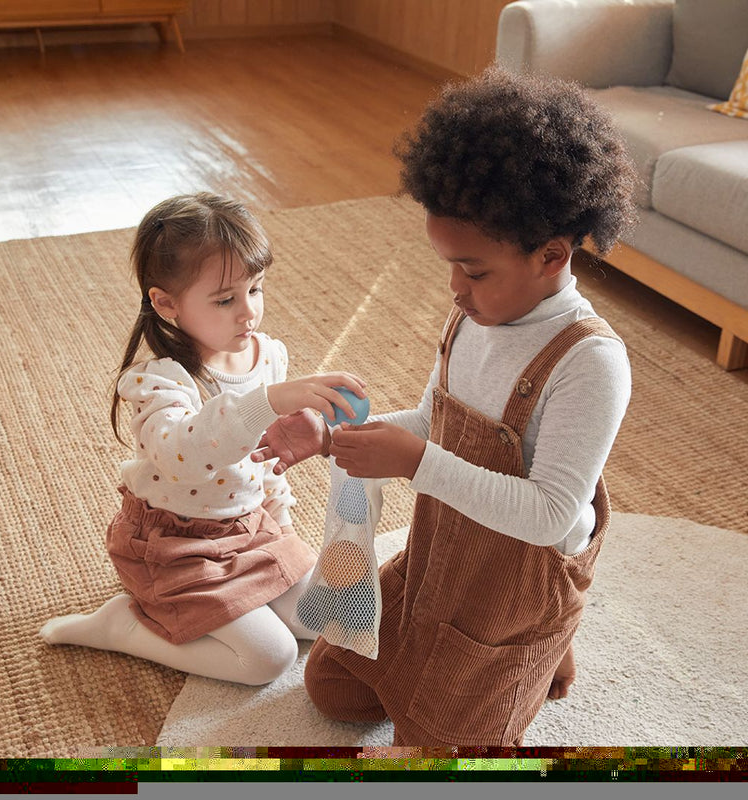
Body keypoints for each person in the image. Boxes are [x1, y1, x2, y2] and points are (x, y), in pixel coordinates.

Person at [252, 66, 637, 744]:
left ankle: (540, 645)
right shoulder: (473, 318)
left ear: (551, 256)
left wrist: (414, 463)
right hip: (442, 558)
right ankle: (480, 663)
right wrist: (332, 434)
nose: (456, 289)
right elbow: (436, 424)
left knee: (434, 753)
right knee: (332, 686)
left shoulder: (589, 363)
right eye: (449, 266)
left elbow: (551, 515)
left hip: (514, 590)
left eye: (475, 270)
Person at [40, 192, 366, 685]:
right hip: (175, 548)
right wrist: (268, 401)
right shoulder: (161, 380)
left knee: (324, 617)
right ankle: (124, 626)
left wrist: (281, 529)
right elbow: (185, 456)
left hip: (249, 532)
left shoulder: (267, 355)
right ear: (166, 303)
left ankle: (241, 596)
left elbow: (266, 459)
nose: (248, 312)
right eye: (224, 299)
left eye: (255, 289)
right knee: (267, 660)